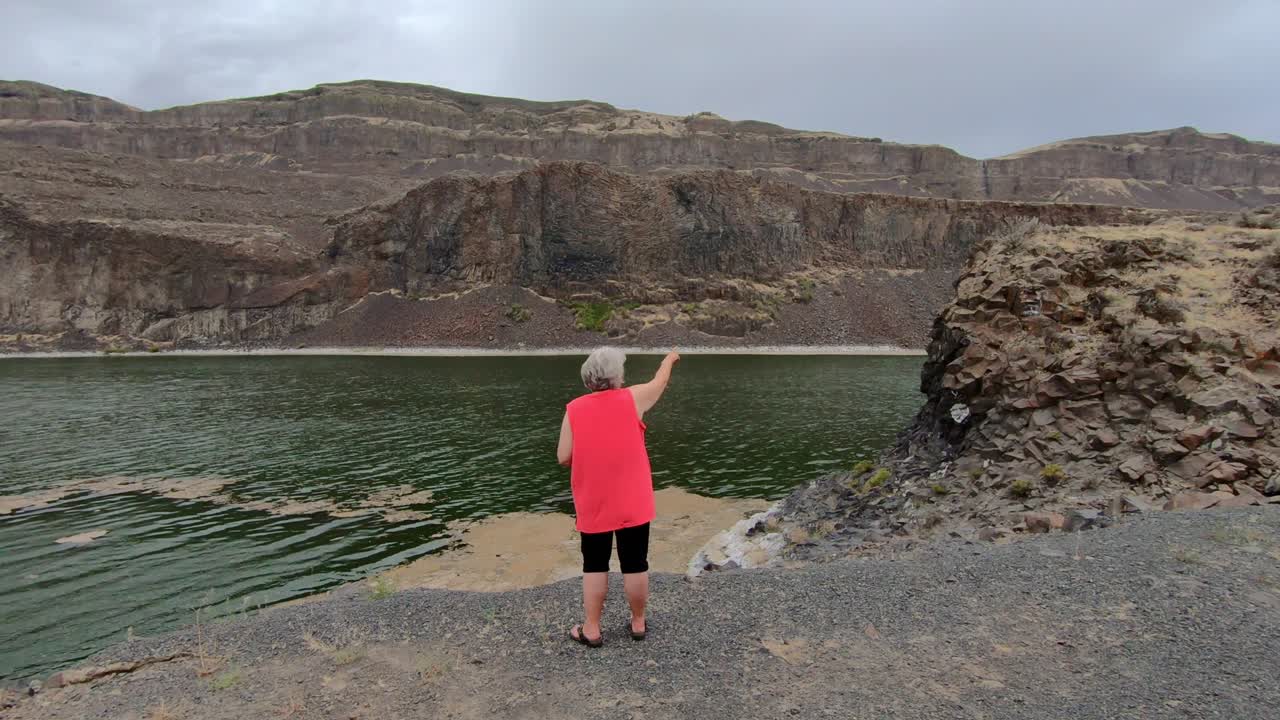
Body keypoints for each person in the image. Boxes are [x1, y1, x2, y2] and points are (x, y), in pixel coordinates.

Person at [556, 347, 680, 647]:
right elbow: (658, 382)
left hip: (593, 498)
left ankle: (592, 629)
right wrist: (669, 360)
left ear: (588, 379)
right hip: (632, 497)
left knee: (595, 563)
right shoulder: (633, 398)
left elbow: (563, 457)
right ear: (617, 377)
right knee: (635, 561)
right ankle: (638, 623)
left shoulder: (574, 409)